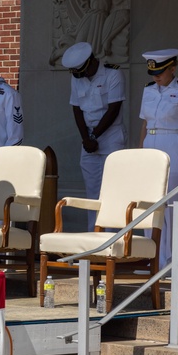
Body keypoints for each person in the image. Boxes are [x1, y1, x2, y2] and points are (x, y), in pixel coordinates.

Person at [139, 50, 178, 265]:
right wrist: (140, 155)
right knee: (150, 205)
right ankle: (151, 258)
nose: (156, 76)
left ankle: (171, 260)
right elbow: (145, 124)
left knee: (173, 205)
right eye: (153, 72)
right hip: (151, 146)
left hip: (174, 143)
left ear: (173, 68)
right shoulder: (148, 91)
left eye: (161, 71)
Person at [61, 41, 127, 227]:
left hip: (111, 136)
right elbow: (76, 109)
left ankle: (111, 236)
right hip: (89, 139)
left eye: (82, 71)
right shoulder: (77, 77)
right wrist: (85, 138)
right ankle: (94, 234)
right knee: (92, 191)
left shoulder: (113, 74)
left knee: (112, 189)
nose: (80, 76)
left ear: (90, 62)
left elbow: (114, 109)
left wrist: (94, 137)